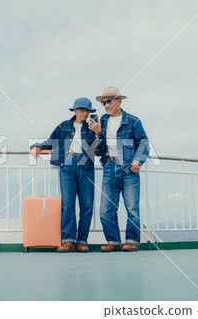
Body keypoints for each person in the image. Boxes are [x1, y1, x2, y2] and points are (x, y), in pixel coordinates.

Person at [30, 97, 97, 253]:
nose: (85, 113)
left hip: (86, 166)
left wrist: (98, 133)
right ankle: (68, 241)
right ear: (74, 110)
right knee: (68, 204)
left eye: (87, 110)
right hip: (67, 166)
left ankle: (82, 241)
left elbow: (100, 147)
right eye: (81, 110)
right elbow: (51, 141)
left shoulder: (92, 128)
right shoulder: (64, 126)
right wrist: (37, 146)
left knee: (87, 205)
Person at [88, 86, 150, 252]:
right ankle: (113, 241)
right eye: (103, 102)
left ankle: (131, 241)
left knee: (132, 208)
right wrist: (98, 134)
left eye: (109, 101)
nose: (105, 105)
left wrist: (138, 161)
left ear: (119, 101)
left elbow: (144, 142)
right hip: (109, 166)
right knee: (105, 210)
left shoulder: (133, 121)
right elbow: (99, 149)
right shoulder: (103, 122)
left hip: (129, 167)